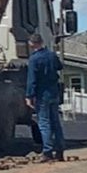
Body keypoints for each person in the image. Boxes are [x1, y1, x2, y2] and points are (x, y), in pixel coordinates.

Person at [26, 32, 65, 161]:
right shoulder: (52, 55)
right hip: (54, 91)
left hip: (42, 94)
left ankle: (47, 152)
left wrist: (29, 95)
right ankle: (59, 150)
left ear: (32, 44)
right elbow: (60, 66)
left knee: (44, 122)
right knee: (55, 122)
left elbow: (32, 79)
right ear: (42, 42)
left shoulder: (34, 59)